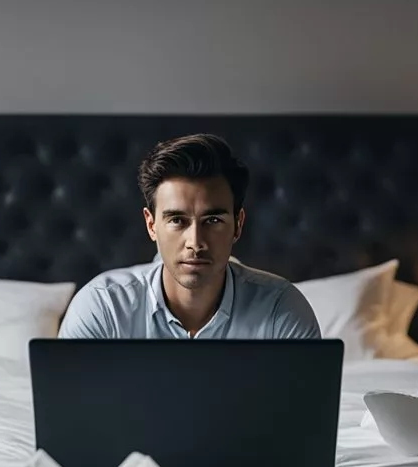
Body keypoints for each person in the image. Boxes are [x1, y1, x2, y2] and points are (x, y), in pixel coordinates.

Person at [58, 133, 321, 340]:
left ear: (238, 225)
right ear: (151, 225)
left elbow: (309, 407)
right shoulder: (103, 306)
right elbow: (66, 404)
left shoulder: (281, 309)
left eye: (213, 220)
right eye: (177, 220)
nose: (195, 242)